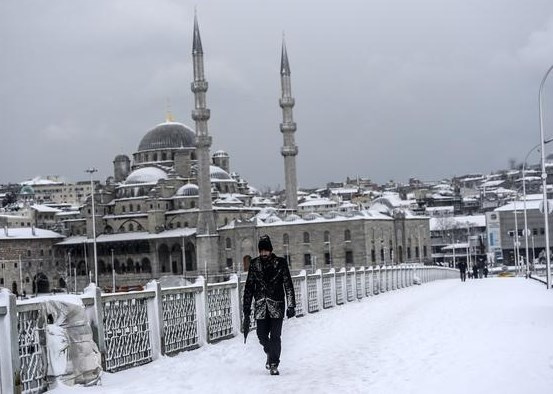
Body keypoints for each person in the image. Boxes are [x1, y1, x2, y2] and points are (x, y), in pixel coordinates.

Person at [242, 235, 296, 376]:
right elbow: (249, 287)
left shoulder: (280, 263)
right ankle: (270, 352)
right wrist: (246, 307)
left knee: (275, 336)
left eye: (266, 250)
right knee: (261, 335)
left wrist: (291, 305)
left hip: (277, 305)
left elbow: (288, 285)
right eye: (261, 251)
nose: (264, 253)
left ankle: (273, 364)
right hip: (260, 306)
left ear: (270, 250)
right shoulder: (254, 264)